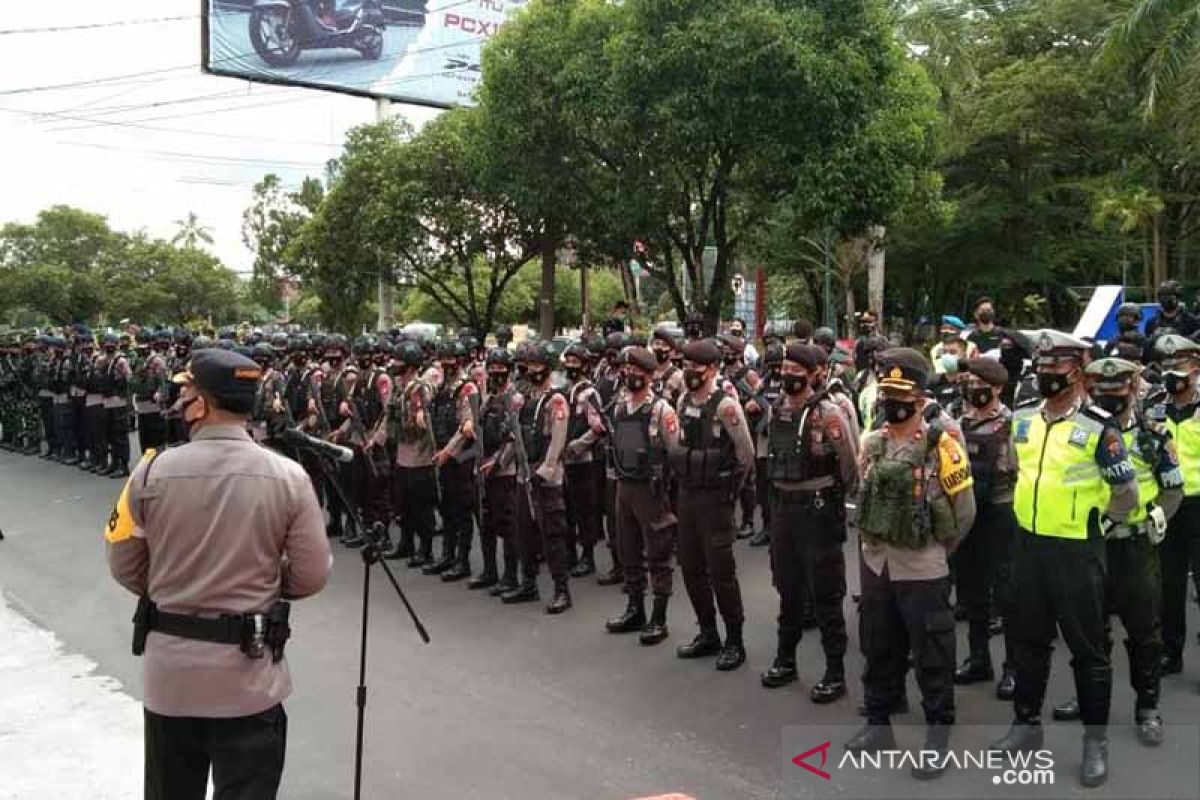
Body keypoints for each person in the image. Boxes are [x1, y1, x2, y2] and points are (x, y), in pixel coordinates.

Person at [106, 348, 332, 800]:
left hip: (172, 680)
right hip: (248, 680)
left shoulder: (149, 472)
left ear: (203, 404)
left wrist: (175, 583)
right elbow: (310, 575)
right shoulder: (289, 477)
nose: (180, 400)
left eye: (186, 391)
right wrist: (262, 581)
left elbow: (123, 562)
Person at [991, 331, 1139, 789]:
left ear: (1077, 372)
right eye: (1042, 369)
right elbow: (1016, 470)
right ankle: (1026, 725)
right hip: (1029, 547)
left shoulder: (1099, 427)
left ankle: (1095, 743)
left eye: (1054, 371)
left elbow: (1126, 493)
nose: (1045, 378)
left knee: (1089, 650)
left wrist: (1098, 524)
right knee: (1027, 642)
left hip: (1077, 551)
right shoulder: (1022, 420)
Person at [846, 348, 976, 780]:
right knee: (879, 645)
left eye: (901, 394)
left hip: (922, 565)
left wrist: (939, 551)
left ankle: (937, 733)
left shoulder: (944, 446)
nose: (891, 401)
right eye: (886, 393)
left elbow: (965, 511)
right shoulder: (873, 442)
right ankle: (878, 724)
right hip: (878, 561)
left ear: (921, 399)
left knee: (932, 652)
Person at [1050, 357, 1181, 749]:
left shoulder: (1152, 437)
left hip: (1135, 546)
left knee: (1144, 631)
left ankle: (1148, 707)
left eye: (1118, 391)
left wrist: (1155, 517)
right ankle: (1091, 698)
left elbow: (1173, 489)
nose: (1109, 399)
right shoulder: (1080, 434)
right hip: (1091, 545)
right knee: (1089, 630)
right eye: (1101, 392)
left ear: (1133, 389)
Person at [759, 343, 858, 704]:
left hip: (817, 509)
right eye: (785, 367)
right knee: (788, 589)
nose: (789, 374)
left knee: (826, 593)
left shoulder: (828, 413)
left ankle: (835, 672)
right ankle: (786, 660)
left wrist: (838, 501)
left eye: (797, 368)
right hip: (784, 507)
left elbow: (850, 463)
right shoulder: (779, 410)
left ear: (816, 373)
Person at [667, 339, 755, 671]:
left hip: (716, 498)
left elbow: (745, 455)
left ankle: (735, 639)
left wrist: (730, 490)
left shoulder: (726, 406)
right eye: (686, 365)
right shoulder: (682, 399)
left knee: (722, 572)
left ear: (713, 370)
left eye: (696, 367)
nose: (689, 372)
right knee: (690, 568)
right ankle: (708, 632)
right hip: (688, 494)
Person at [952, 358, 1018, 700]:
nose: (972, 388)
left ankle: (1013, 668)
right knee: (972, 590)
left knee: (1006, 593)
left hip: (1001, 511)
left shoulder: (1013, 424)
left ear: (997, 388)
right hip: (969, 513)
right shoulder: (958, 422)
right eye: (969, 381)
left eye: (980, 383)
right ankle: (979, 659)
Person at [605, 346, 679, 644]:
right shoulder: (622, 408)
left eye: (638, 371)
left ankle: (658, 618)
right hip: (625, 487)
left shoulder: (661, 409)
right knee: (628, 550)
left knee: (659, 554)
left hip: (651, 490)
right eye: (628, 369)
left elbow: (675, 452)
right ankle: (635, 609)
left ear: (650, 375)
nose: (631, 375)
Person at [504, 343, 574, 614]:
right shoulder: (526, 398)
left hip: (547, 476)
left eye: (536, 365)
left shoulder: (555, 400)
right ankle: (528, 583)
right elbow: (518, 436)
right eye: (529, 365)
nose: (531, 370)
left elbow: (557, 441)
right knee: (524, 531)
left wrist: (544, 471)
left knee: (552, 534)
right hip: (525, 472)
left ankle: (561, 590)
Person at [1146, 335, 1200, 677]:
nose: (1170, 374)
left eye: (1177, 367)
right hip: (1166, 504)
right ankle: (1170, 650)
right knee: (1169, 583)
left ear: (1194, 369)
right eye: (1165, 367)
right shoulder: (1153, 407)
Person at [561, 342, 606, 577]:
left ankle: (587, 557)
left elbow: (599, 427)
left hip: (583, 460)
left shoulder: (589, 392)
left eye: (575, 362)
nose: (571, 366)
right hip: (563, 461)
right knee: (565, 510)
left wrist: (579, 445)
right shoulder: (562, 390)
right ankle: (568, 554)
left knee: (584, 511)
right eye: (568, 361)